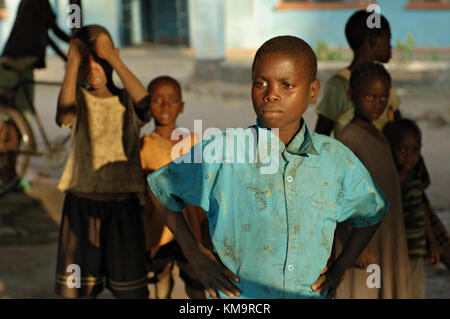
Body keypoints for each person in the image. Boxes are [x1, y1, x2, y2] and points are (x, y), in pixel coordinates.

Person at [146, 36, 390, 299]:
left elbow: (372, 210)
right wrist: (195, 254)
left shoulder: (335, 159)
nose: (271, 94)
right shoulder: (223, 150)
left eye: (287, 85)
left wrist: (340, 267)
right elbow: (161, 189)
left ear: (312, 92)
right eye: (261, 83)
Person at [54, 25, 152, 299]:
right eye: (87, 64)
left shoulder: (127, 101)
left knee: (131, 291)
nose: (94, 69)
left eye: (101, 61)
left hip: (123, 210)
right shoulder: (78, 101)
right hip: (80, 210)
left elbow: (146, 104)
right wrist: (73, 61)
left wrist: (113, 58)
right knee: (75, 291)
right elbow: (63, 115)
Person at [335, 62, 412, 299]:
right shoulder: (348, 137)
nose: (377, 103)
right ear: (351, 96)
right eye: (369, 96)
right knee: (364, 291)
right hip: (362, 242)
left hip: (386, 238)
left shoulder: (381, 135)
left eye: (382, 98)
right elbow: (338, 193)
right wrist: (353, 244)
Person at [140, 75, 212, 299]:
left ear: (181, 106)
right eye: (157, 100)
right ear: (148, 105)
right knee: (161, 278)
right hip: (156, 229)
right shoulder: (143, 146)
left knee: (197, 282)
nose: (164, 106)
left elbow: (208, 188)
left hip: (192, 229)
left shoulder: (195, 142)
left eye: (172, 100)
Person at [384, 119, 441, 298]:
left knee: (416, 291)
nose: (409, 156)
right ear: (389, 149)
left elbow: (423, 211)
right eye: (403, 150)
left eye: (415, 150)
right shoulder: (387, 182)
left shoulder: (414, 180)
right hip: (394, 253)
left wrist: (432, 243)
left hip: (416, 250)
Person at [0, 0, 70, 122]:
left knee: (17, 116)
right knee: (21, 115)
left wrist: (67, 57)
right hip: (20, 61)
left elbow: (46, 35)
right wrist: (76, 44)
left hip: (17, 60)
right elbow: (53, 30)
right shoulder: (39, 2)